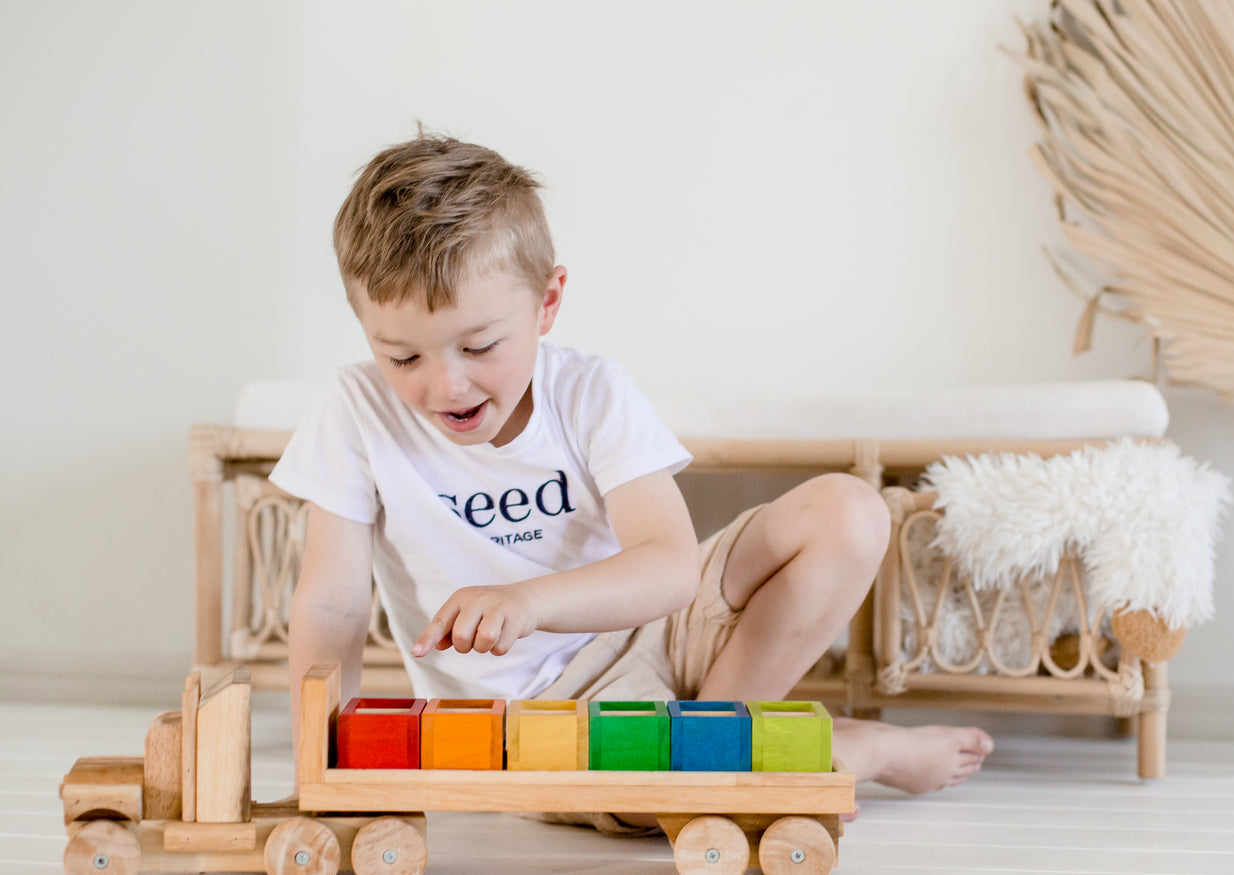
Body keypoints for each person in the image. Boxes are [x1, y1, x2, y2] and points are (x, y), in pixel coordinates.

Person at [271, 133, 992, 829]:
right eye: (402, 357)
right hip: (542, 714)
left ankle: (716, 757)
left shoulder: (587, 391)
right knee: (646, 794)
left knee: (849, 511)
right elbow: (332, 603)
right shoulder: (354, 412)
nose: (445, 383)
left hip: (655, 625)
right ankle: (821, 753)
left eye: (480, 345)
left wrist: (527, 599)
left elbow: (673, 569)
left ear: (547, 302)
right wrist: (323, 763)